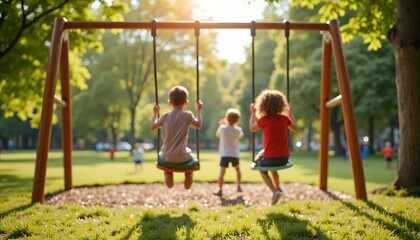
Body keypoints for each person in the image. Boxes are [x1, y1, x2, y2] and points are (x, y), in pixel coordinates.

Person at [249, 89, 297, 205]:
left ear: (263, 105)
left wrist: (252, 112)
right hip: (284, 158)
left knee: (262, 169)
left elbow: (252, 128)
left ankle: (274, 191)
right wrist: (289, 113)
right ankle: (278, 188)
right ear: (281, 104)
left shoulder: (264, 120)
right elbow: (294, 128)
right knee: (272, 166)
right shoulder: (284, 119)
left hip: (270, 158)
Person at [150, 85, 203, 189]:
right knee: (191, 157)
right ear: (186, 103)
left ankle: (168, 174)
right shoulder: (187, 115)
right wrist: (198, 110)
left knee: (165, 160)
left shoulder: (165, 116)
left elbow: (153, 127)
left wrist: (155, 112)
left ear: (169, 102)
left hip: (168, 156)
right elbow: (198, 125)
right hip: (183, 157)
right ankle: (189, 175)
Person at [214, 108, 244, 196]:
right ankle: (238, 186)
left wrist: (224, 124)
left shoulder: (222, 128)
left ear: (226, 118)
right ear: (237, 120)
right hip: (235, 153)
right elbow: (240, 136)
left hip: (225, 154)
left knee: (222, 173)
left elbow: (217, 135)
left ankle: (220, 189)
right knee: (238, 170)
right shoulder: (238, 129)